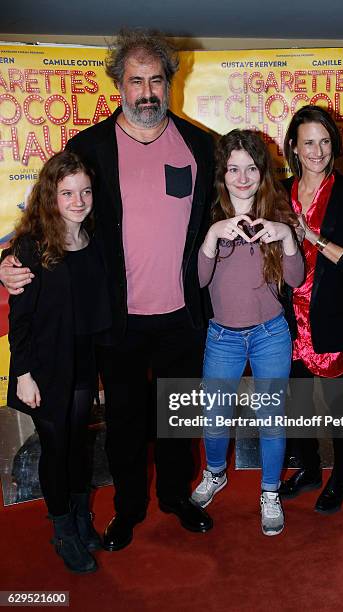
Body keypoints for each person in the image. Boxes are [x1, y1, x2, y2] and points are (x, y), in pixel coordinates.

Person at [0, 29, 214, 550]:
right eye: (135, 80)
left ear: (170, 83)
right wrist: (7, 261)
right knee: (123, 420)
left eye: (156, 80)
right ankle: (128, 508)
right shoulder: (89, 148)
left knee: (176, 415)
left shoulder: (200, 146)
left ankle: (175, 497)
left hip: (184, 314)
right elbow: (55, 211)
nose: (147, 92)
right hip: (113, 317)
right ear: (118, 84)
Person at [190, 129, 304, 535]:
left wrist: (287, 236)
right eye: (233, 168)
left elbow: (295, 277)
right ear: (222, 172)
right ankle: (216, 471)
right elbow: (199, 281)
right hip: (222, 335)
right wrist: (211, 237)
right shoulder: (208, 213)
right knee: (215, 416)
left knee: (272, 418)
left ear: (262, 172)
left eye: (251, 168)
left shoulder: (279, 212)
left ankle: (270, 492)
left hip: (270, 333)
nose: (242, 177)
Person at [6, 150, 111, 573]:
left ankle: (82, 517)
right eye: (67, 192)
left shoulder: (95, 238)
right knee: (56, 448)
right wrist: (25, 373)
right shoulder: (32, 246)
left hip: (83, 360)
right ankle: (63, 529)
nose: (78, 200)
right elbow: (21, 317)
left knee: (79, 443)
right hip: (43, 365)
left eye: (84, 191)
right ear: (50, 195)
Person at [279, 105, 343, 514]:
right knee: (296, 401)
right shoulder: (278, 192)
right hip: (284, 320)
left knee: (339, 404)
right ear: (294, 146)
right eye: (309, 142)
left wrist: (313, 237)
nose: (318, 151)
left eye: (325, 142)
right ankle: (308, 469)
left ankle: (339, 476)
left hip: (332, 315)